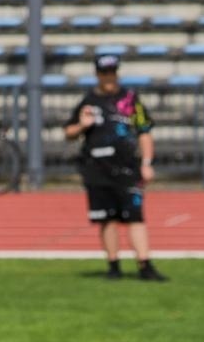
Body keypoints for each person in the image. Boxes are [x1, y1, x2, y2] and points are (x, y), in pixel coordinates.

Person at [63, 54, 166, 281]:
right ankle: (113, 266)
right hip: (97, 169)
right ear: (98, 74)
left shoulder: (130, 99)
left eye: (112, 72)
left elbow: (145, 131)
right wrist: (82, 125)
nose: (109, 77)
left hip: (128, 168)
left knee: (135, 217)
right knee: (106, 219)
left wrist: (147, 163)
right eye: (105, 73)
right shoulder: (88, 102)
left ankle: (145, 265)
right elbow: (68, 132)